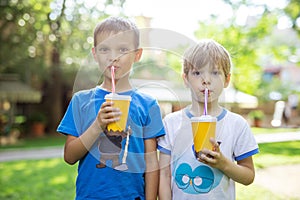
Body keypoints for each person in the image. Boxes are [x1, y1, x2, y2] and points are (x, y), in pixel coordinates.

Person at [57, 16, 165, 200]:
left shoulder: (148, 105)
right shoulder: (81, 101)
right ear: (95, 54)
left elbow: (151, 161)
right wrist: (97, 125)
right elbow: (69, 156)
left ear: (137, 55)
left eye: (122, 49)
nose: (113, 57)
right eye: (105, 49)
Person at [158, 39, 259, 199]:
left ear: (227, 79)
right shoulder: (171, 123)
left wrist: (223, 164)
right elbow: (163, 175)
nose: (206, 80)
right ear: (185, 79)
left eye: (215, 72)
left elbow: (248, 176)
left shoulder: (237, 125)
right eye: (197, 73)